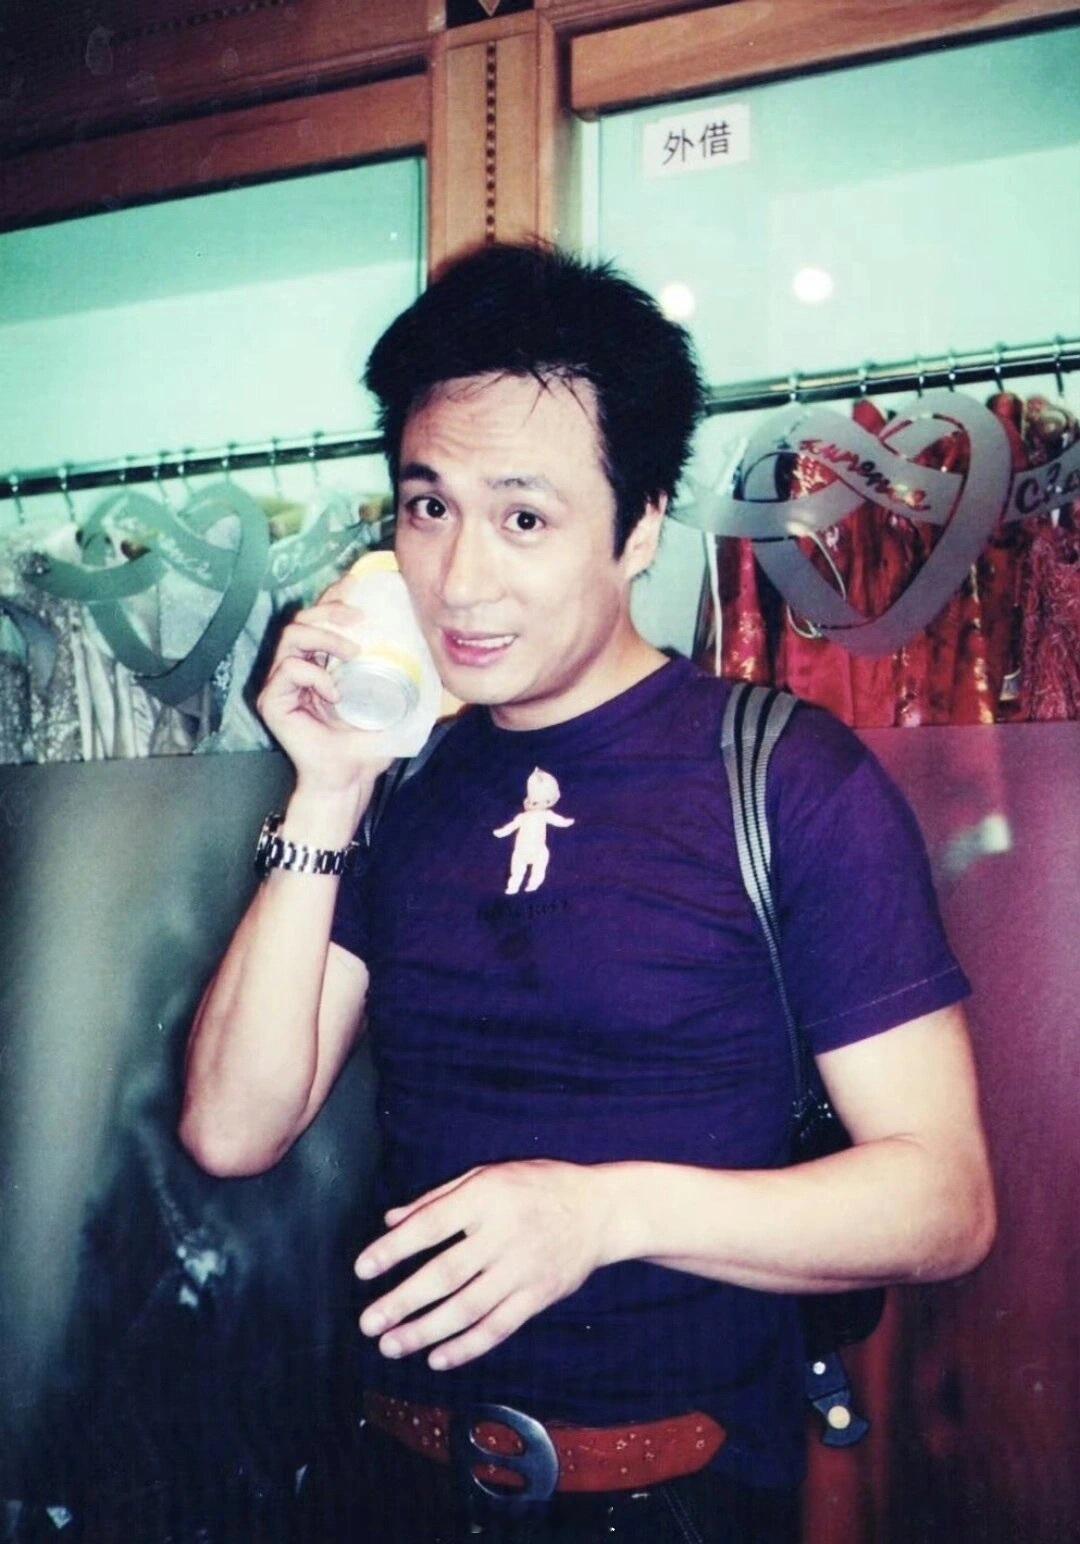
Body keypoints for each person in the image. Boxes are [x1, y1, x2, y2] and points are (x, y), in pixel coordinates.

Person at [179, 243, 996, 1543]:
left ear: (641, 528)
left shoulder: (787, 779)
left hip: (677, 1497)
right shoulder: (406, 784)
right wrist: (325, 792)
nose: (460, 577)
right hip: (394, 1479)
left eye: (525, 518)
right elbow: (233, 1129)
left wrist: (601, 1213)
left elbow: (944, 1203)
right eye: (428, 506)